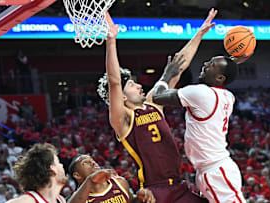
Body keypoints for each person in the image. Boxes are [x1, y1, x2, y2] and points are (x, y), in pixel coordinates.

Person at [97, 9, 219, 203]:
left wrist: (199, 34)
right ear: (121, 98)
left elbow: (176, 69)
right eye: (131, 85)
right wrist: (111, 41)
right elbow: (114, 81)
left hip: (179, 185)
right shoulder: (123, 119)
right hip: (155, 191)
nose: (138, 85)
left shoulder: (154, 103)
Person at [151, 26, 250, 203]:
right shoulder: (228, 96)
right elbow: (227, 73)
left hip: (215, 171)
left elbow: (157, 97)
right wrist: (232, 62)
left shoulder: (202, 93)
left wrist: (167, 74)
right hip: (212, 169)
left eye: (212, 65)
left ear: (220, 78)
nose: (205, 65)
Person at [67, 154, 155, 203]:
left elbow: (131, 201)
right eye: (85, 162)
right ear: (77, 175)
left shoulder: (120, 182)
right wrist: (90, 180)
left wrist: (140, 197)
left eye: (92, 160)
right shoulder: (78, 198)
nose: (93, 162)